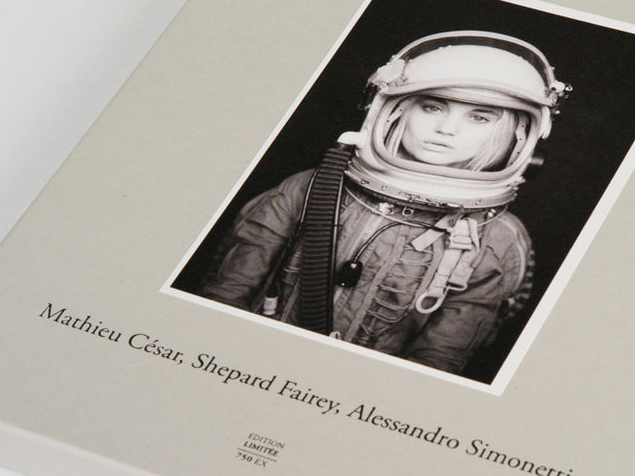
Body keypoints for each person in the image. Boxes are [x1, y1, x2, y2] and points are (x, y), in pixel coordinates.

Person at [202, 30, 569, 375]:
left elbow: (438, 361)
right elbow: (224, 297)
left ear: (519, 135)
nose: (447, 129)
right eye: (432, 108)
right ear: (391, 110)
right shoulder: (309, 189)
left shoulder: (496, 238)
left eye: (479, 117)